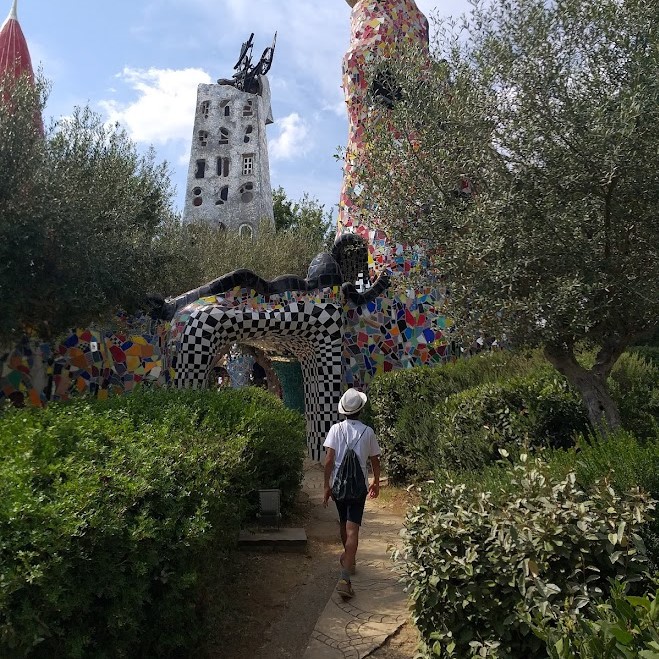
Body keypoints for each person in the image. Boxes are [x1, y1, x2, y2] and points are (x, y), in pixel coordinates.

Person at [323, 388, 381, 598]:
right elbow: (375, 460)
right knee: (352, 530)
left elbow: (329, 461)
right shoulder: (368, 431)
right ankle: (345, 575)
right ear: (361, 410)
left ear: (344, 411)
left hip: (339, 487)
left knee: (342, 523)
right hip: (358, 488)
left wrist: (326, 486)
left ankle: (349, 558)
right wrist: (375, 481)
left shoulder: (335, 430)